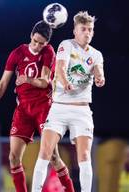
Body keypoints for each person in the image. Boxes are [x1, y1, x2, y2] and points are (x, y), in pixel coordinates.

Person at [0, 20, 74, 192]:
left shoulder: (48, 52)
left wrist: (28, 80)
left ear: (47, 43)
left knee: (53, 156)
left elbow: (44, 81)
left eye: (42, 43)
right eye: (35, 41)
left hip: (44, 108)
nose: (38, 46)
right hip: (23, 110)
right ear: (31, 36)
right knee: (13, 157)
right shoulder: (17, 53)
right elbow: (3, 83)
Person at [32, 11, 105, 192]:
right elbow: (60, 68)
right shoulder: (66, 45)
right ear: (75, 31)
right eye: (83, 29)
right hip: (59, 109)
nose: (87, 33)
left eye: (90, 30)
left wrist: (100, 78)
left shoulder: (96, 54)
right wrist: (65, 83)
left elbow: (98, 70)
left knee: (84, 155)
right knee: (45, 152)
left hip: (82, 111)